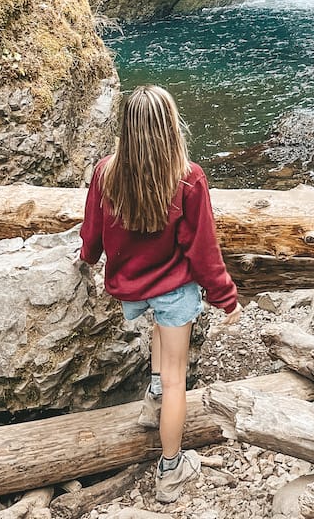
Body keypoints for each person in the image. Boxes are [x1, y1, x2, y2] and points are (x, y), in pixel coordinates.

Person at [80, 84, 241, 503]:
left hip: (133, 289)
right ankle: (171, 470)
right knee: (177, 380)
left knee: (160, 343)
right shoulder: (187, 178)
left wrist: (86, 256)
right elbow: (202, 250)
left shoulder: (106, 171)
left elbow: (93, 231)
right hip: (172, 290)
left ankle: (152, 399)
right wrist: (226, 296)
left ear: (126, 128)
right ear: (170, 127)